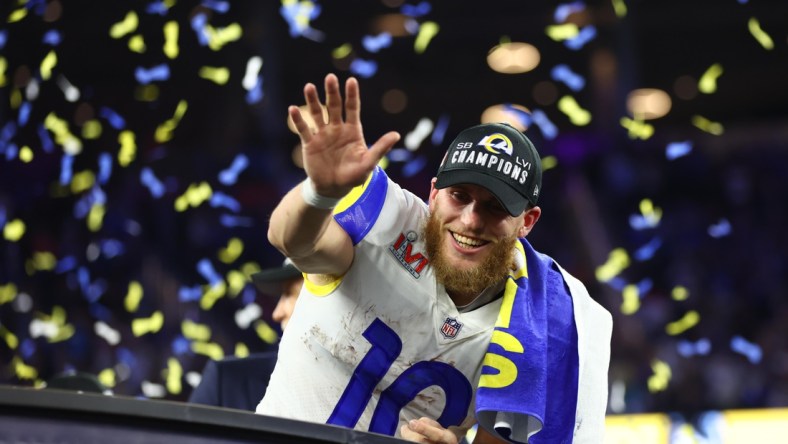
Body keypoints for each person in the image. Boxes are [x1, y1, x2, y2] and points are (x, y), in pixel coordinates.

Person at [256, 73, 612, 443]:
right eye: (459, 195)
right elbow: (294, 242)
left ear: (527, 222)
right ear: (433, 193)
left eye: (496, 208)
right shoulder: (386, 220)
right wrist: (318, 195)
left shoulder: (540, 320)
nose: (472, 220)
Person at [188, 258, 304, 411]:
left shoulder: (346, 396)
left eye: (289, 295)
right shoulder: (225, 384)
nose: (277, 313)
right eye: (280, 296)